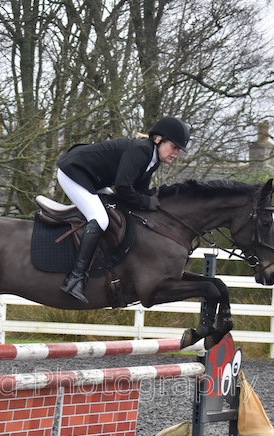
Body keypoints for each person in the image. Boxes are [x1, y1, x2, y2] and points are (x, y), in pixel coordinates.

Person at [55, 116, 190, 302]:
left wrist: (154, 202)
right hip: (73, 171)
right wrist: (146, 202)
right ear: (158, 139)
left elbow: (139, 190)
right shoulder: (141, 150)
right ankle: (75, 278)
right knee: (100, 219)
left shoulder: (152, 158)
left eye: (179, 150)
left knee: (115, 211)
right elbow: (124, 187)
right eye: (174, 147)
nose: (176, 153)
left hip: (94, 178)